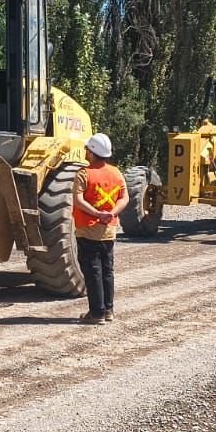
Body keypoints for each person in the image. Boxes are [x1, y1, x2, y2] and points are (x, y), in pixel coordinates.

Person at [72, 132, 128, 325]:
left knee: (92, 271)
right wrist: (111, 213)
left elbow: (78, 200)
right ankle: (108, 310)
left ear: (92, 152)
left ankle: (96, 313)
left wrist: (97, 214)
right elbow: (124, 198)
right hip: (109, 230)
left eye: (87, 149)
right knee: (107, 270)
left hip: (88, 230)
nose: (85, 151)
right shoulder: (116, 173)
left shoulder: (84, 174)